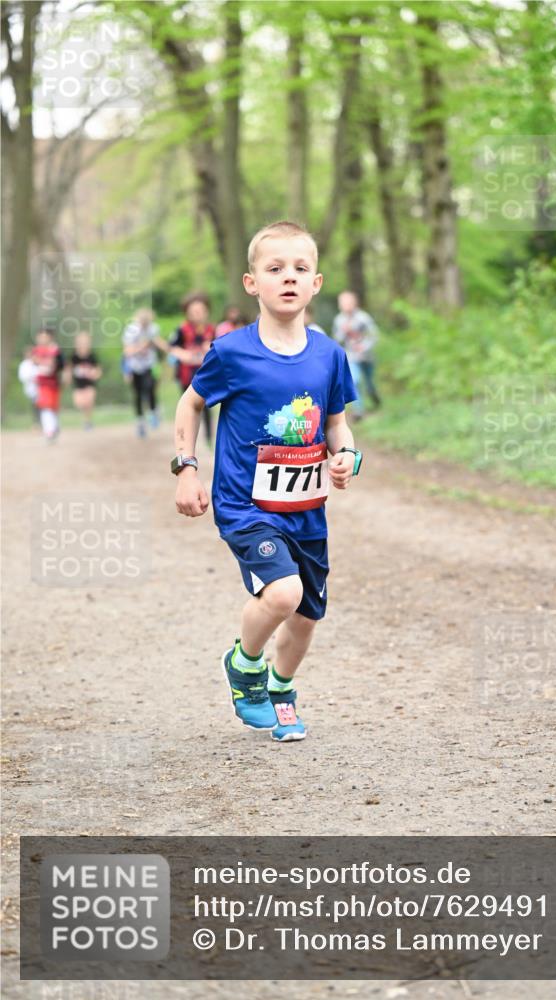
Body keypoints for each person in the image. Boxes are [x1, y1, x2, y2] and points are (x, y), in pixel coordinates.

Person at [172, 220, 360, 742]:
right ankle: (244, 664)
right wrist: (186, 469)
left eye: (300, 269)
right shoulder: (231, 352)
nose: (288, 278)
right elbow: (190, 404)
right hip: (246, 505)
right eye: (275, 269)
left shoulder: (329, 356)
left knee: (304, 617)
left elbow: (336, 424)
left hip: (306, 510)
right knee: (282, 593)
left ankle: (281, 689)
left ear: (316, 283)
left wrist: (347, 457)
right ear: (252, 282)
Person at [170, 292, 216, 445]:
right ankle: (186, 440)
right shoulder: (182, 330)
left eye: (200, 311)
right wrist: (184, 355)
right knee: (187, 407)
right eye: (193, 312)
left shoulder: (211, 329)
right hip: (186, 374)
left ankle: (209, 438)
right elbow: (173, 348)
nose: (197, 314)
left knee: (207, 406)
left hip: (206, 374)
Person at [332, 290, 381, 418]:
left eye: (348, 301)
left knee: (369, 382)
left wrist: (364, 347)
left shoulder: (363, 317)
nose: (345, 305)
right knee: (355, 380)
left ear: (355, 303)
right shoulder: (339, 320)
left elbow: (374, 335)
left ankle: (374, 396)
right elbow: (337, 340)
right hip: (351, 356)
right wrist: (343, 331)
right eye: (342, 302)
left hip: (367, 356)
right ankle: (358, 410)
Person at [122, 308, 168, 438]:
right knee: (138, 394)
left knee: (150, 388)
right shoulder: (131, 330)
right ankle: (140, 422)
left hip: (149, 364)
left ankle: (153, 412)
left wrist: (169, 348)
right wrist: (140, 348)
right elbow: (127, 352)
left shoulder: (153, 328)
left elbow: (158, 341)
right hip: (134, 366)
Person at [31, 328, 65, 442]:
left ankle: (54, 428)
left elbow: (60, 366)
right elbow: (34, 363)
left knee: (52, 407)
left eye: (45, 336)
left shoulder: (55, 351)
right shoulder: (36, 351)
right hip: (42, 384)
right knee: (45, 406)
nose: (43, 339)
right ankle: (49, 431)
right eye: (41, 336)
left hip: (53, 383)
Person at [68, 331, 102, 430]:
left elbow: (98, 369)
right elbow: (69, 368)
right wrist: (68, 378)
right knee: (79, 403)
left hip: (89, 384)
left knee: (89, 401)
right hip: (78, 385)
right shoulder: (74, 356)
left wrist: (95, 374)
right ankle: (85, 418)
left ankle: (88, 421)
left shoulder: (92, 356)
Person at [18, 347, 39, 424]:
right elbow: (23, 377)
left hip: (41, 388)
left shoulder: (38, 362)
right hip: (32, 389)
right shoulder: (24, 364)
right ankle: (36, 422)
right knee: (35, 405)